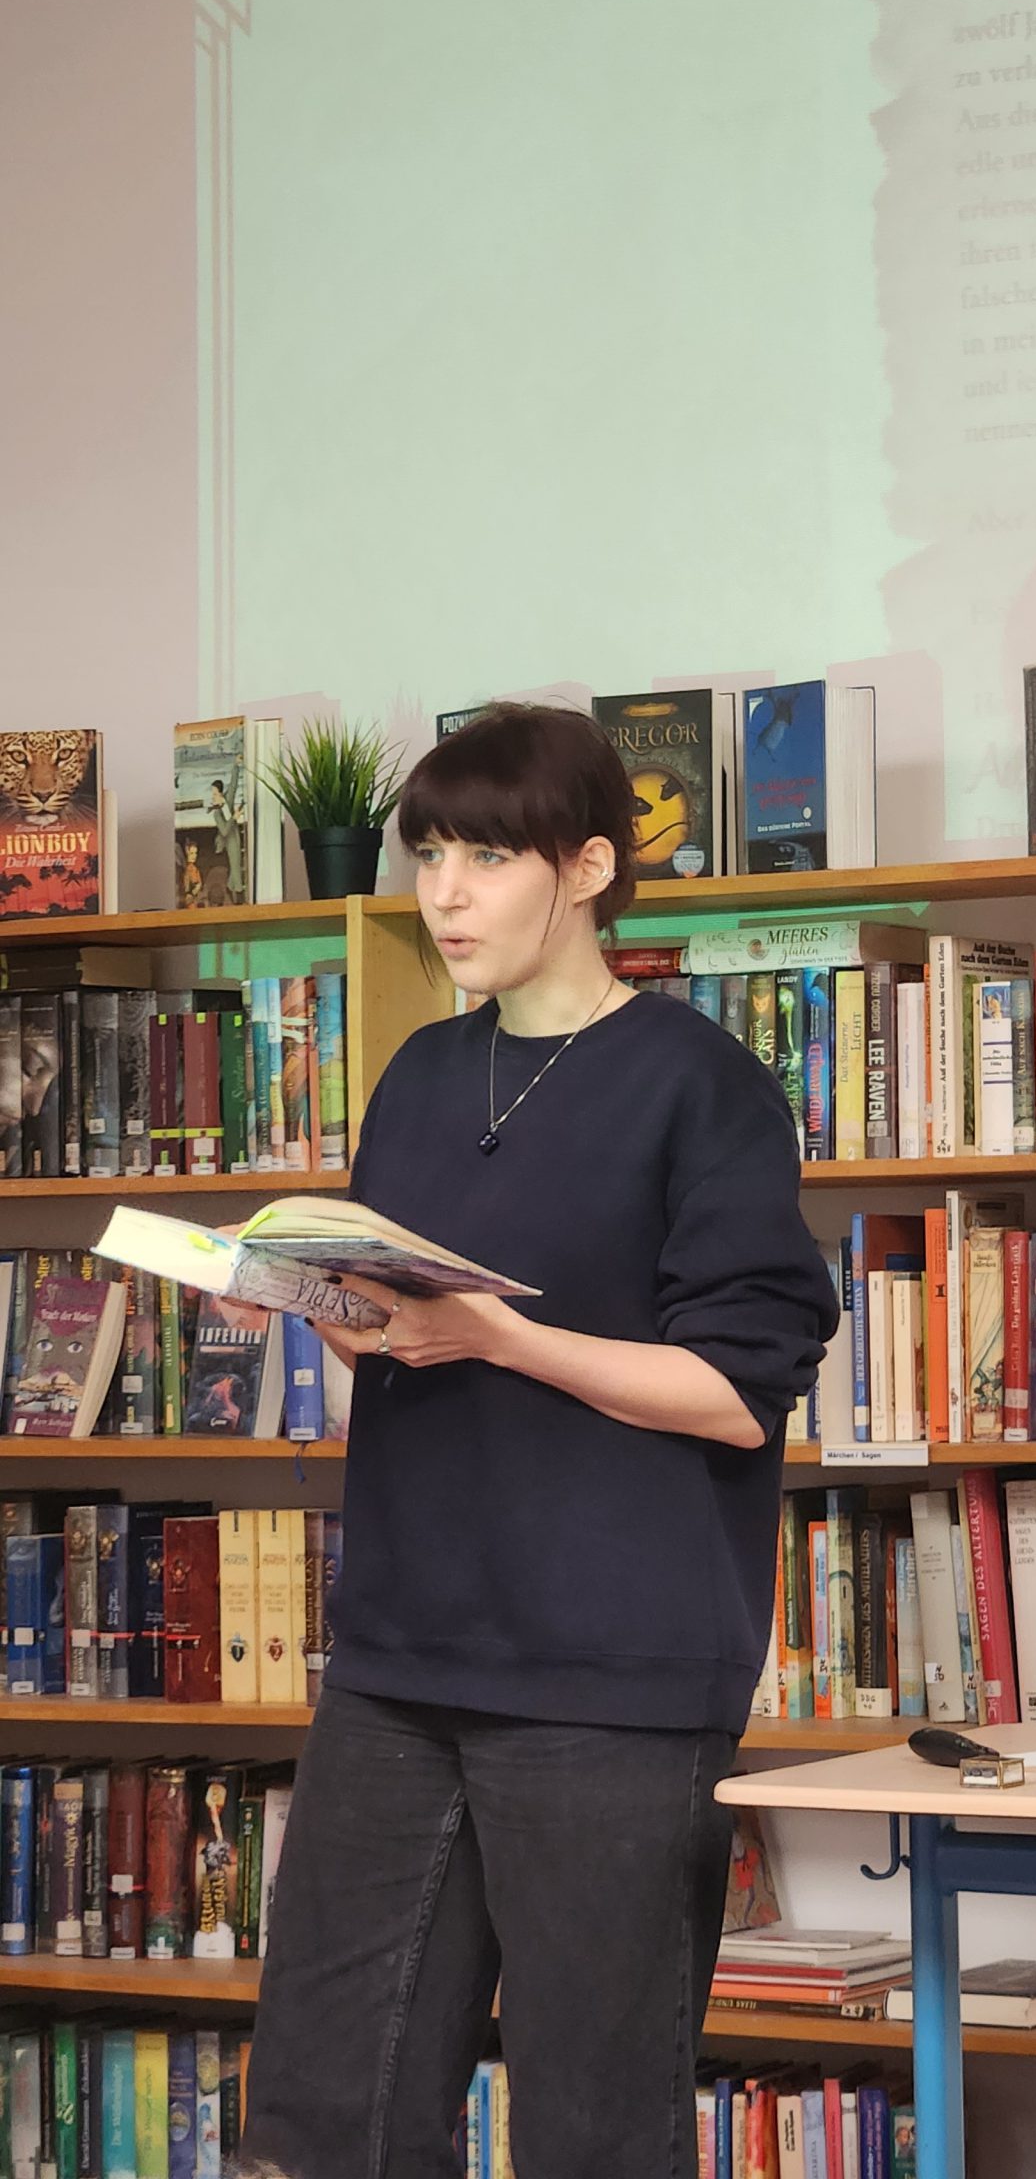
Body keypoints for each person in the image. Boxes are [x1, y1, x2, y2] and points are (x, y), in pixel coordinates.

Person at [237, 703, 837, 2179]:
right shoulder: (421, 1075)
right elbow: (415, 1329)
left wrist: (505, 1336)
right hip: (400, 1654)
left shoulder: (704, 1085)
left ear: (585, 868)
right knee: (320, 2120)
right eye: (429, 854)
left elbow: (738, 1389)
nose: (444, 894)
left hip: (612, 1677)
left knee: (592, 2125)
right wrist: (333, 1310)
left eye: (487, 858)